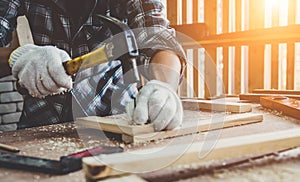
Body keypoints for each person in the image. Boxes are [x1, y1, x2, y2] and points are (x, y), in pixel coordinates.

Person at [0, 0, 186, 131]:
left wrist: (164, 86)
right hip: (42, 118)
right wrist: (19, 57)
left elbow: (158, 38)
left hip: (117, 118)